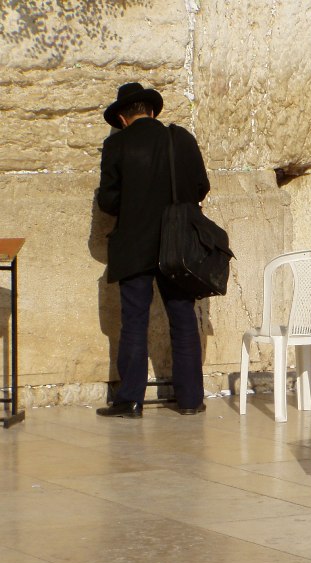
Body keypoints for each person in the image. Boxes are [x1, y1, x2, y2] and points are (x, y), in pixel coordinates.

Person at [96, 82, 209, 417]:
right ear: (152, 111)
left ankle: (131, 400)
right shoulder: (181, 139)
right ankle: (190, 401)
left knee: (134, 320)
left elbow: (108, 200)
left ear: (122, 116)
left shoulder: (116, 145)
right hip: (178, 244)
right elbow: (201, 186)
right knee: (183, 317)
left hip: (134, 246)